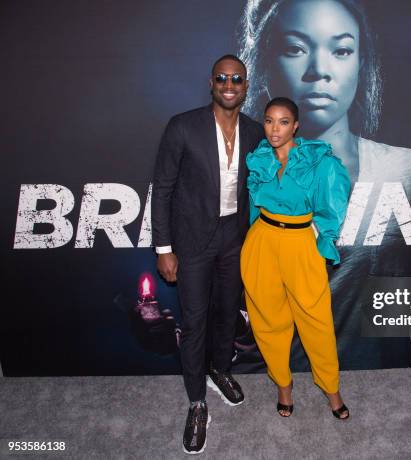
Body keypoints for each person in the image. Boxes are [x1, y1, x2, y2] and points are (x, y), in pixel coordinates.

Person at [237, 0, 411, 370]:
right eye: (295, 49)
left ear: (361, 62)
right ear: (266, 61)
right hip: (268, 393)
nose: (319, 71)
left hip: (384, 400)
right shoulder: (242, 177)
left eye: (341, 50)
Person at [152, 54, 265, 453]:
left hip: (236, 238)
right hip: (193, 241)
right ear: (211, 83)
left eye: (237, 78)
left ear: (246, 85)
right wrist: (164, 248)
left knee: (227, 314)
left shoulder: (255, 131)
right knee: (196, 319)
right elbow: (162, 188)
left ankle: (221, 369)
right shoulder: (183, 126)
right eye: (222, 78)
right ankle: (198, 401)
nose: (229, 84)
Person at [241, 97, 351, 419]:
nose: (275, 129)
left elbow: (332, 207)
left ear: (296, 125)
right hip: (262, 241)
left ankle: (332, 390)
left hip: (300, 242)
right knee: (267, 321)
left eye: (283, 122)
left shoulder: (318, 161)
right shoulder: (259, 159)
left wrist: (325, 242)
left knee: (317, 322)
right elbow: (251, 208)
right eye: (269, 121)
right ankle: (283, 387)